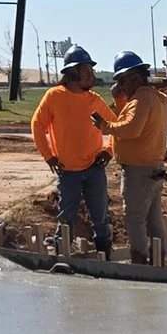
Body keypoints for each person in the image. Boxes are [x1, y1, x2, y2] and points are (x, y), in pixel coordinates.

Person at [31, 46, 118, 256]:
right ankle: (63, 258)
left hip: (94, 169)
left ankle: (104, 256)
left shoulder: (94, 100)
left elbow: (117, 126)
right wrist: (49, 156)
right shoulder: (54, 96)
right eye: (87, 72)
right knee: (66, 217)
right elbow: (37, 124)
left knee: (100, 216)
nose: (92, 76)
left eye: (92, 72)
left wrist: (109, 150)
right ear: (72, 73)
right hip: (67, 171)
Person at [105, 52, 167, 266]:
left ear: (133, 78)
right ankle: (160, 261)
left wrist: (106, 127)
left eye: (121, 82)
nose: (120, 88)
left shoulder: (141, 99)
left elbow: (131, 128)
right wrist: (119, 100)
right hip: (153, 168)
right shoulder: (155, 98)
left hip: (138, 172)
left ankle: (140, 264)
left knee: (135, 219)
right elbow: (132, 118)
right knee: (153, 220)